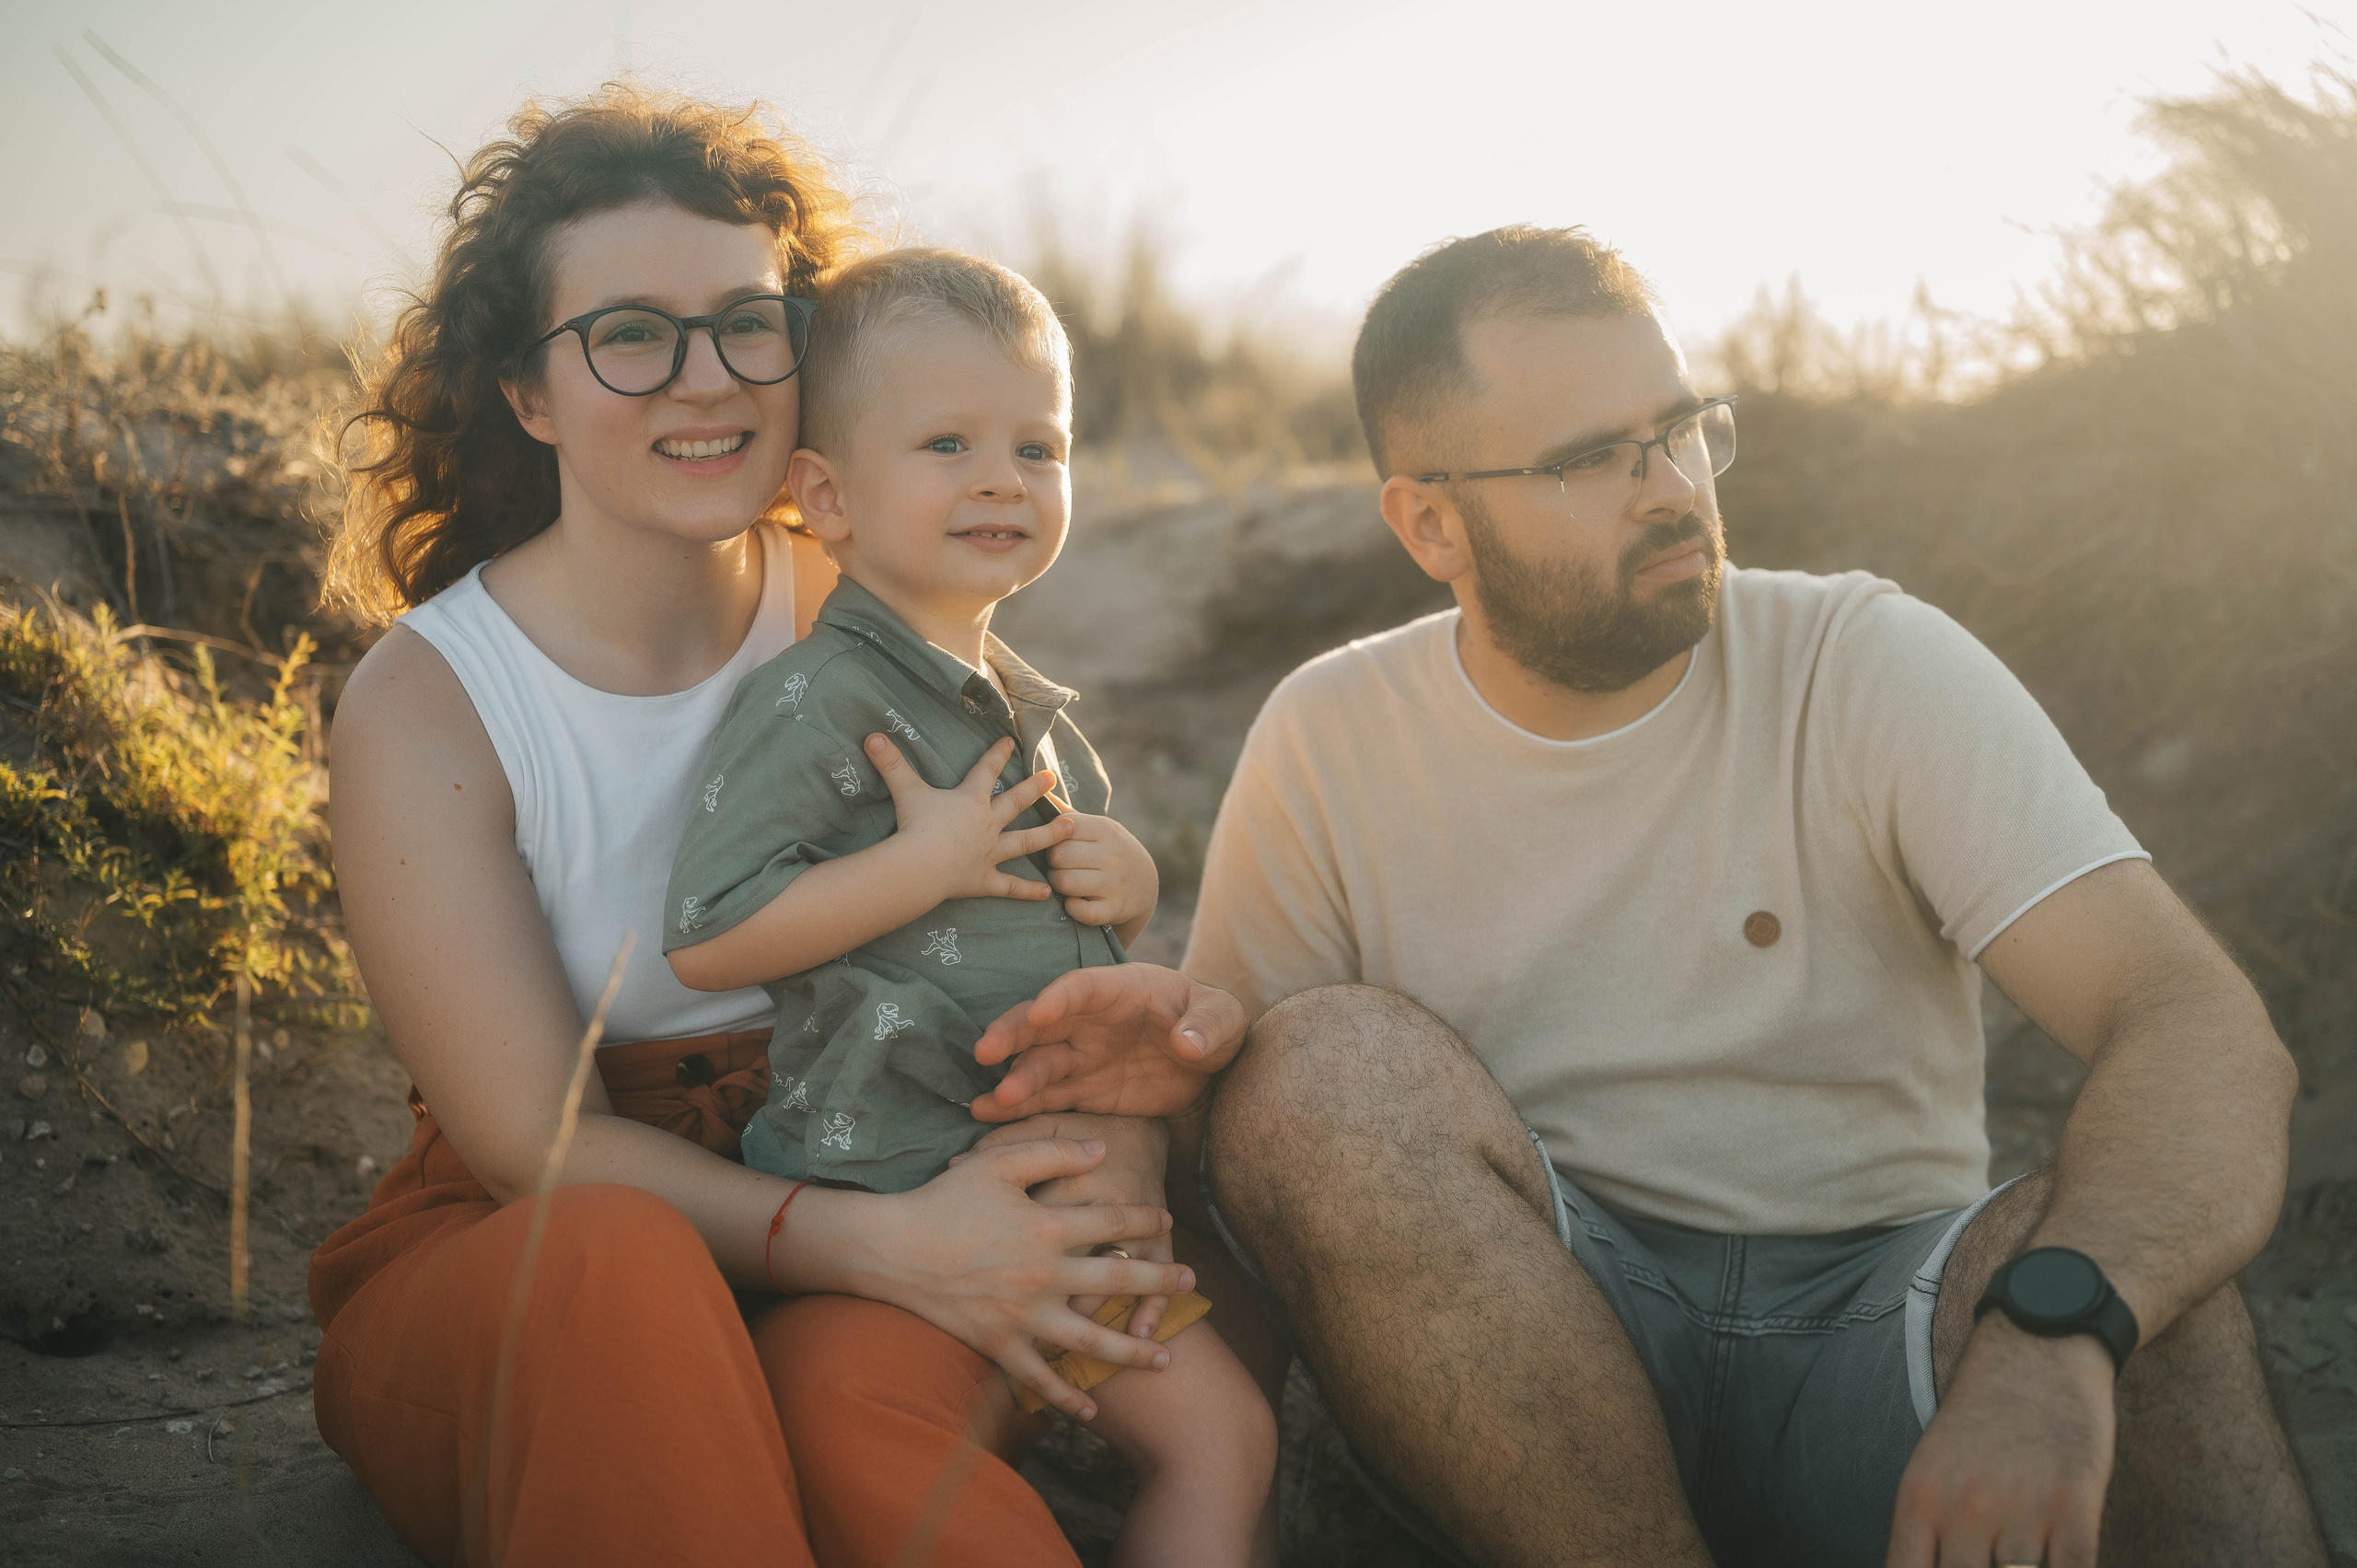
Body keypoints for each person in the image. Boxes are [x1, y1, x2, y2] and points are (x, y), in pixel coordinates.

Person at [1171, 226, 2328, 1566]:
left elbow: (2191, 1021)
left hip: (1889, 1340)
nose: (1670, 490)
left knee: (2141, 1289)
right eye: (1590, 458)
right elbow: (1235, 1170)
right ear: (1431, 522)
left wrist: (2052, 1335)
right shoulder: (1331, 735)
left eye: (1682, 430)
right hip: (1517, 1377)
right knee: (1316, 1070)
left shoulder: (1862, 663)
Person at [310, 87, 1236, 1568]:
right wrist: (891, 1245)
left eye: (751, 323)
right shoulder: (430, 700)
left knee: (874, 1462)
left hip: (891, 1154)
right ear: (527, 393)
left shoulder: (871, 591)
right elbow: (537, 1150)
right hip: (554, 1251)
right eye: (629, 335)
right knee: (619, 1271)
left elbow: (1028, 919)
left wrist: (1092, 1145)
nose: (709, 381)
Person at [663, 247, 1275, 1567]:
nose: (1004, 477)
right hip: (898, 1194)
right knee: (890, 1451)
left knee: (1227, 1437)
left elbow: (1079, 954)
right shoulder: (812, 702)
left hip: (1063, 1194)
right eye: (948, 442)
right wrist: (915, 867)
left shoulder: (1033, 713)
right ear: (823, 496)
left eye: (1038, 448)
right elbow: (709, 928)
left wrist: (1131, 880)